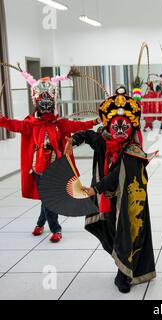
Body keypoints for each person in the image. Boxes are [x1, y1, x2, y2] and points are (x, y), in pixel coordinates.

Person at [0, 64, 98, 242]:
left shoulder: (59, 123)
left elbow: (78, 126)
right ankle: (55, 229)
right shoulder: (31, 124)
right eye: (42, 103)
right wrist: (1, 120)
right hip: (38, 168)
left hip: (56, 168)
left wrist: (96, 121)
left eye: (48, 103)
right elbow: (13, 124)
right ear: (36, 103)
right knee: (48, 198)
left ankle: (42, 224)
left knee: (48, 198)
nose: (45, 106)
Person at [73, 86, 157, 294]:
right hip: (108, 201)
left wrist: (95, 189)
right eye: (115, 126)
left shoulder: (134, 151)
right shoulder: (104, 139)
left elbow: (115, 175)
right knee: (111, 233)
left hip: (127, 201)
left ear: (132, 127)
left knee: (127, 234)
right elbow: (89, 135)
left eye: (125, 126)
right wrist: (73, 140)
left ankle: (124, 275)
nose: (120, 130)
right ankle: (122, 262)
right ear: (109, 126)